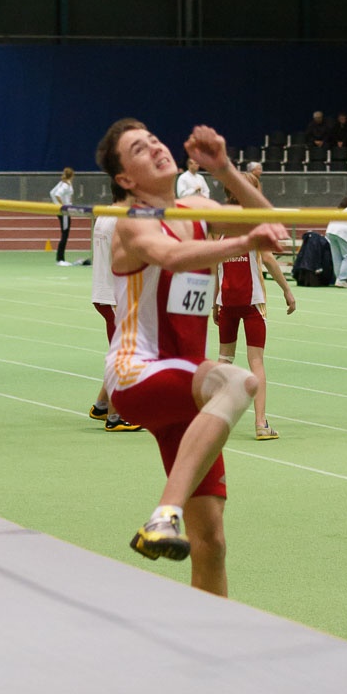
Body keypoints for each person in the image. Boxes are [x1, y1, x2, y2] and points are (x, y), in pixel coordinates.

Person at [95, 118, 283, 597]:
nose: (156, 147)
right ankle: (164, 513)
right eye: (139, 149)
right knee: (237, 382)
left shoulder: (198, 206)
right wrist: (243, 244)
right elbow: (174, 258)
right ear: (126, 180)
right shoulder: (130, 223)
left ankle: (211, 644)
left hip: (191, 392)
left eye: (154, 138)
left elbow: (272, 221)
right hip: (137, 374)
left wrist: (225, 169)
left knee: (212, 541)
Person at [213, 172, 296, 441]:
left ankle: (211, 421)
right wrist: (286, 290)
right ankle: (261, 424)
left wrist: (216, 300)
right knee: (256, 361)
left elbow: (215, 263)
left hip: (227, 302)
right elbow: (270, 260)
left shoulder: (221, 222)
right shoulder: (254, 222)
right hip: (251, 302)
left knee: (224, 359)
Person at [88, 181, 143, 433]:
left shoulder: (104, 215)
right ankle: (115, 416)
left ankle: (101, 404)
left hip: (105, 294)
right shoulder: (120, 220)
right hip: (113, 297)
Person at [50, 168, 75, 267]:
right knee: (65, 234)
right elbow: (56, 194)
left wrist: (57, 205)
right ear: (72, 175)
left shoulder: (63, 183)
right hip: (64, 212)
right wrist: (62, 206)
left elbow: (51, 193)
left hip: (62, 211)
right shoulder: (65, 185)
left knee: (64, 233)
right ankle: (60, 259)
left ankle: (60, 258)